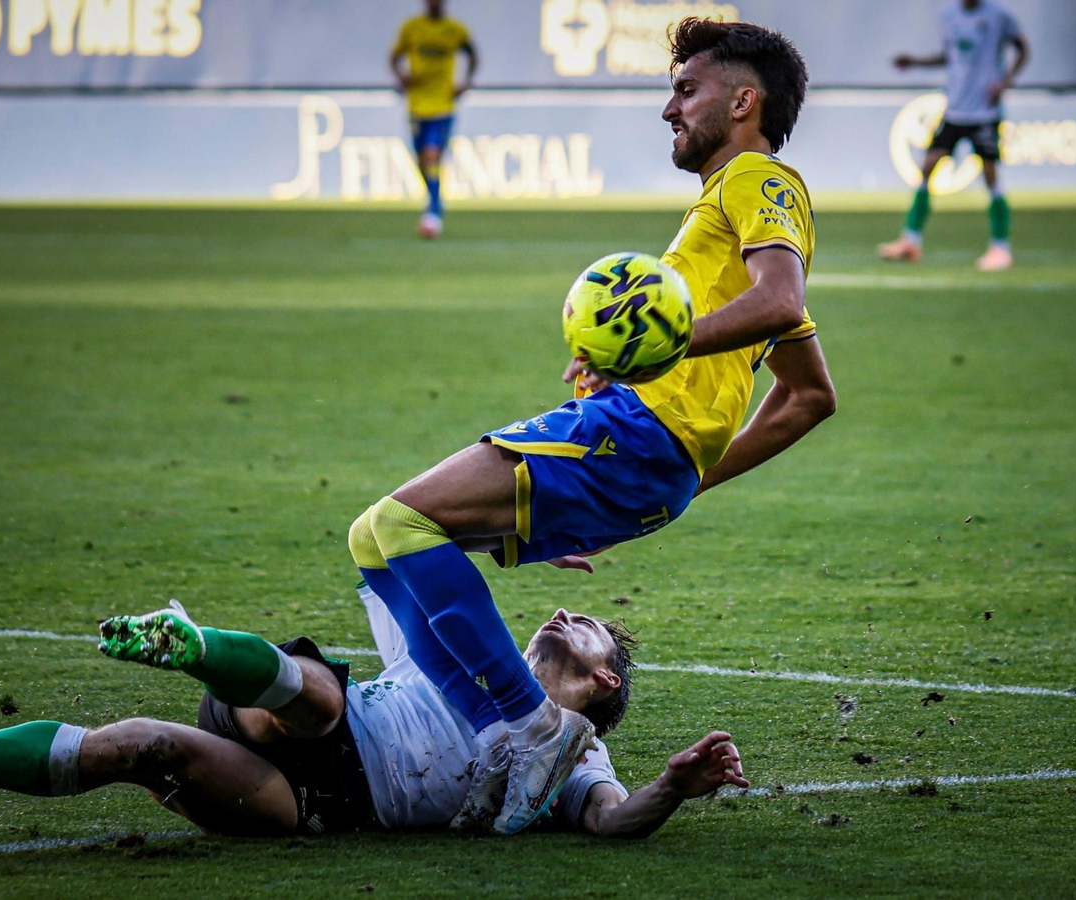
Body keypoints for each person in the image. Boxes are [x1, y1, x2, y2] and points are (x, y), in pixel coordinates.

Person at [347, 17, 831, 836]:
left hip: (638, 431)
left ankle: (529, 725)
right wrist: (682, 478)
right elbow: (807, 394)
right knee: (374, 539)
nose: (670, 110)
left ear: (745, 100)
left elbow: (779, 303)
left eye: (687, 91)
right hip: (645, 450)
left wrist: (658, 360)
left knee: (402, 523)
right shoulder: (717, 216)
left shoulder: (759, 180)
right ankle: (502, 737)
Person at [0, 589, 748, 839]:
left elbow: (613, 819)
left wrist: (670, 782)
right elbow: (420, 541)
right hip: (312, 720)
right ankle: (197, 645)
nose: (557, 614)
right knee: (316, 698)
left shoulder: (573, 753)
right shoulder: (470, 653)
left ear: (604, 683)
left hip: (314, 805)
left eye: (580, 627)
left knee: (138, 745)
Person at [878, 0, 1027, 272]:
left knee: (990, 175)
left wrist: (1006, 81)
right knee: (928, 166)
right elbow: (951, 55)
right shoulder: (949, 15)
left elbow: (1022, 48)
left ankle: (1000, 247)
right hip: (956, 108)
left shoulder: (999, 15)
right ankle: (911, 240)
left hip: (984, 111)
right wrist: (915, 62)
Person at [390, 0, 477, 239]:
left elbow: (472, 54)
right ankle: (435, 198)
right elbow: (394, 57)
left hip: (442, 105)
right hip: (417, 105)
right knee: (421, 160)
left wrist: (465, 82)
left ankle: (434, 213)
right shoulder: (412, 28)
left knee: (432, 155)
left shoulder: (455, 30)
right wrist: (401, 77)